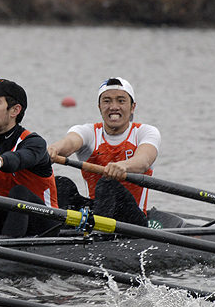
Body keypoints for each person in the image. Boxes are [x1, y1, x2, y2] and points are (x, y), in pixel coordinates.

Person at [47, 78, 159, 227]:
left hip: (132, 220)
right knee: (61, 184)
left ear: (132, 107)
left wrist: (123, 166)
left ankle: (97, 236)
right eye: (107, 101)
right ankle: (57, 235)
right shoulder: (88, 131)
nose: (113, 107)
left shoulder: (145, 132)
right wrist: (54, 150)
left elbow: (143, 161)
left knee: (108, 184)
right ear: (99, 107)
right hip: (99, 210)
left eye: (121, 101)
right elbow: (69, 143)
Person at [0, 79, 59, 237]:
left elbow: (18, 159)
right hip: (7, 221)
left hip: (45, 225)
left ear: (15, 110)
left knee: (19, 193)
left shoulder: (34, 143)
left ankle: (4, 252)